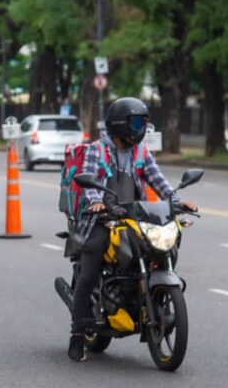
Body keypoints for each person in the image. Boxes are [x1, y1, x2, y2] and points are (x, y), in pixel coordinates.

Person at [68, 97, 197, 362]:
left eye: (144, 122)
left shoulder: (141, 153)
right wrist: (96, 203)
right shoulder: (97, 150)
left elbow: (158, 180)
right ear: (120, 124)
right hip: (102, 218)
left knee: (162, 251)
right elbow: (90, 183)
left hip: (134, 216)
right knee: (90, 268)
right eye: (137, 122)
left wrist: (175, 200)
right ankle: (77, 335)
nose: (141, 128)